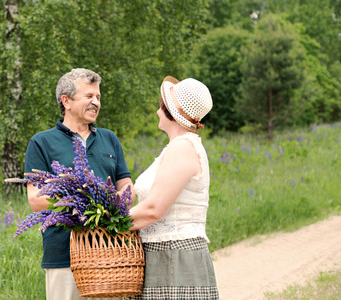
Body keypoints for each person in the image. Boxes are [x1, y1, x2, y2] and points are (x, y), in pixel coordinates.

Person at [24, 68, 134, 300]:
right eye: (89, 96)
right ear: (66, 101)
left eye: (98, 97)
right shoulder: (41, 142)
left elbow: (126, 187)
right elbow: (35, 200)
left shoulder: (109, 138)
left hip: (110, 252)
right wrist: (81, 199)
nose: (96, 102)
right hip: (64, 255)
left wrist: (119, 202)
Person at [125, 76, 219, 299]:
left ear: (169, 111)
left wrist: (107, 224)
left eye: (161, 105)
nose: (158, 110)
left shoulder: (183, 148)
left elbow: (153, 209)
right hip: (162, 254)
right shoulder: (176, 147)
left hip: (175, 256)